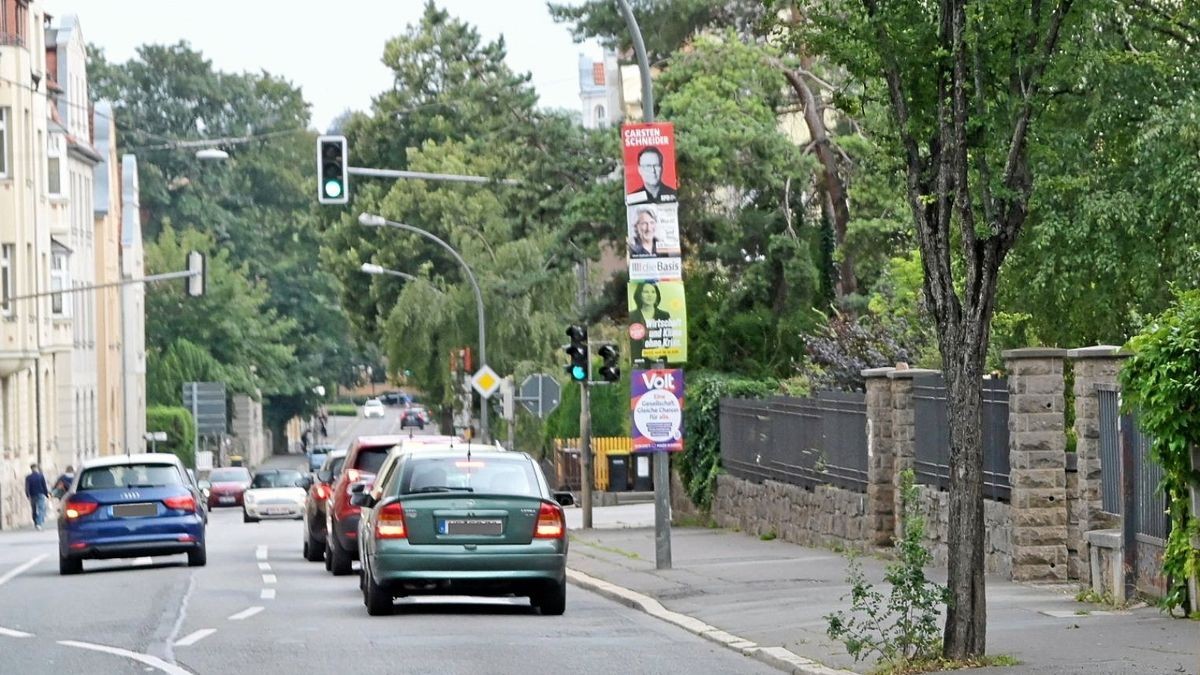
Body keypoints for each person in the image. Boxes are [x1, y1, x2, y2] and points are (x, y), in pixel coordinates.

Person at [629, 282, 672, 363]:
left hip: (659, 360)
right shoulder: (632, 316)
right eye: (646, 292)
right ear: (639, 294)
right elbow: (632, 342)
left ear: (657, 295)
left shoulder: (664, 315)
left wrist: (658, 352)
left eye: (653, 292)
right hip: (639, 361)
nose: (650, 295)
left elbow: (668, 338)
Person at [24, 464, 50, 530]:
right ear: (36, 468)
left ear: (31, 469)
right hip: (40, 494)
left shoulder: (28, 477)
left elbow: (27, 487)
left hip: (32, 495)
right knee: (41, 509)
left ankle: (35, 522)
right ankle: (39, 523)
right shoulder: (41, 476)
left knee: (34, 509)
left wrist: (27, 494)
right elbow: (44, 485)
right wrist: (46, 494)